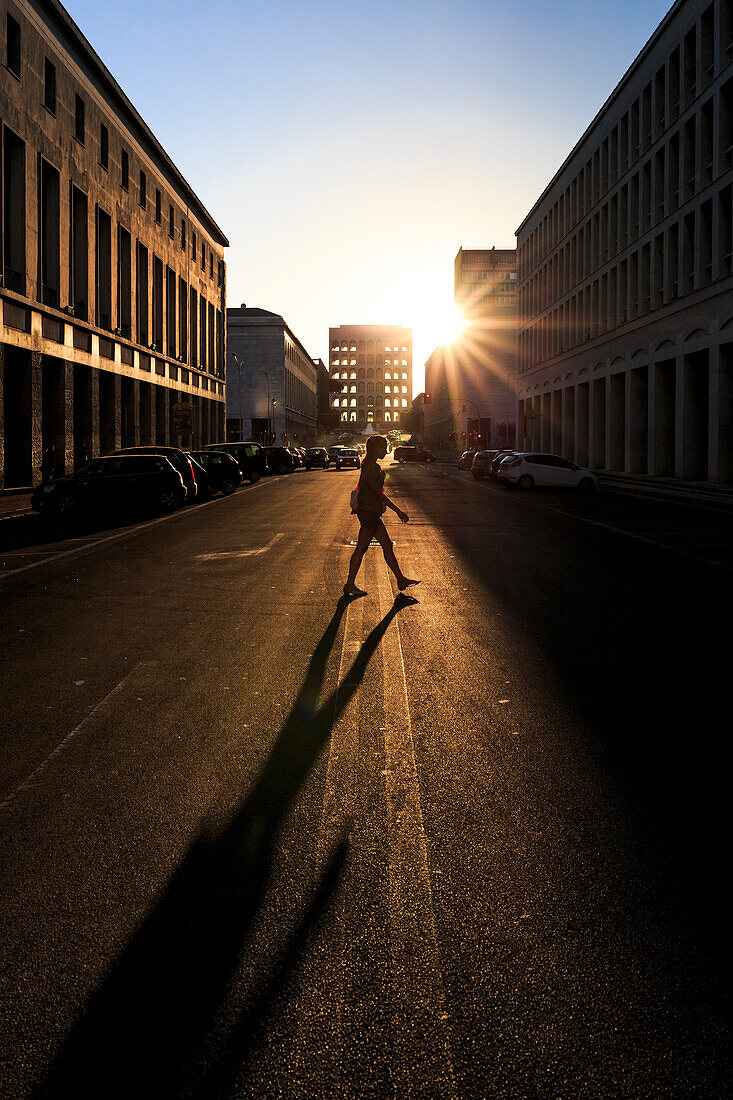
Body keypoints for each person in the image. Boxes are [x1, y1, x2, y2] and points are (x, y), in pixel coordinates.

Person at [344, 434, 419, 597]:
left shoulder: (370, 466)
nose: (385, 450)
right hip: (369, 513)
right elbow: (378, 493)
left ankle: (400, 579)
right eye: (382, 447)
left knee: (386, 545)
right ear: (375, 449)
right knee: (361, 549)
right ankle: (349, 584)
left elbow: (364, 487)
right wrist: (398, 510)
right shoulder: (371, 468)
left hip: (370, 512)